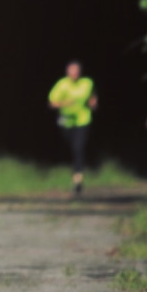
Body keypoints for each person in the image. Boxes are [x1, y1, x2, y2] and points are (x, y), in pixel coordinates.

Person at [48, 60, 98, 195]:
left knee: (78, 148)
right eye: (72, 70)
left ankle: (78, 180)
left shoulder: (87, 83)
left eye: (77, 70)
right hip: (66, 122)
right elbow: (51, 103)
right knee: (70, 148)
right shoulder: (62, 84)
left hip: (83, 120)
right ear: (67, 72)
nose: (74, 73)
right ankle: (67, 171)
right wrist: (65, 103)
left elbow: (92, 97)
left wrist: (93, 103)